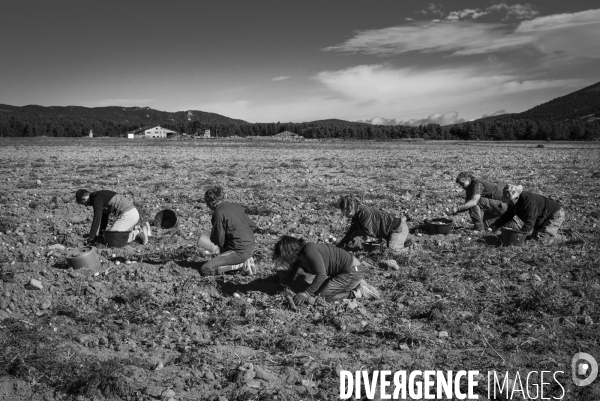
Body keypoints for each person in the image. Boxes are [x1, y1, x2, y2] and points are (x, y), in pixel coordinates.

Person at [273, 235, 378, 305]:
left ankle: (357, 292)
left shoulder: (309, 250)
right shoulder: (298, 258)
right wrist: (277, 289)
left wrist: (306, 293)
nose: (286, 261)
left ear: (289, 252)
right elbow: (289, 275)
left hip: (353, 271)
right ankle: (354, 284)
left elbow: (321, 275)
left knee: (322, 297)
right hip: (344, 271)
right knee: (318, 291)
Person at [489, 185, 585, 245]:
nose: (509, 202)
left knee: (542, 240)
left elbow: (530, 221)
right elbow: (508, 215)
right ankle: (554, 232)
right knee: (532, 239)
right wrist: (494, 226)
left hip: (554, 214)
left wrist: (519, 236)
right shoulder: (513, 203)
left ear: (516, 197)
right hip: (541, 217)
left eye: (510, 200)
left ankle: (570, 237)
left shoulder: (529, 202)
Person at [197, 186, 257, 276]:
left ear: (210, 203)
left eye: (207, 203)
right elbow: (253, 226)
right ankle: (241, 261)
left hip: (239, 251)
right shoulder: (235, 206)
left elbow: (219, 241)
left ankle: (240, 265)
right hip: (250, 247)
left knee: (205, 269)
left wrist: (210, 241)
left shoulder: (218, 212)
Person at [75, 189, 150, 245]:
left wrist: (91, 238)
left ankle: (137, 233)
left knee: (112, 239)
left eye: (83, 203)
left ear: (84, 198)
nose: (85, 205)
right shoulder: (101, 196)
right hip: (131, 214)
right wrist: (101, 235)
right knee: (108, 236)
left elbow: (96, 218)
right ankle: (138, 228)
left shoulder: (96, 198)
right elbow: (104, 218)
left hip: (128, 214)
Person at [451, 172, 521, 232]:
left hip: (503, 205)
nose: (462, 186)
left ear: (468, 179)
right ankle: (509, 223)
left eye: (462, 183)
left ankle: (478, 228)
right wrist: (455, 211)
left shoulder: (476, 183)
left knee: (475, 201)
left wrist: (457, 208)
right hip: (495, 207)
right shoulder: (469, 188)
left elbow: (473, 202)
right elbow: (467, 205)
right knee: (487, 227)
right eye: (460, 184)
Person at [336, 195, 409, 252]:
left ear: (352, 207)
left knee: (393, 252)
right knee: (382, 249)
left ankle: (411, 248)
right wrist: (340, 246)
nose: (345, 214)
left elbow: (368, 231)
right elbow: (350, 232)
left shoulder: (363, 213)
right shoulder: (355, 216)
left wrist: (355, 233)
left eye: (347, 211)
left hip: (398, 228)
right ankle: (398, 242)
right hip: (388, 232)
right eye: (343, 211)